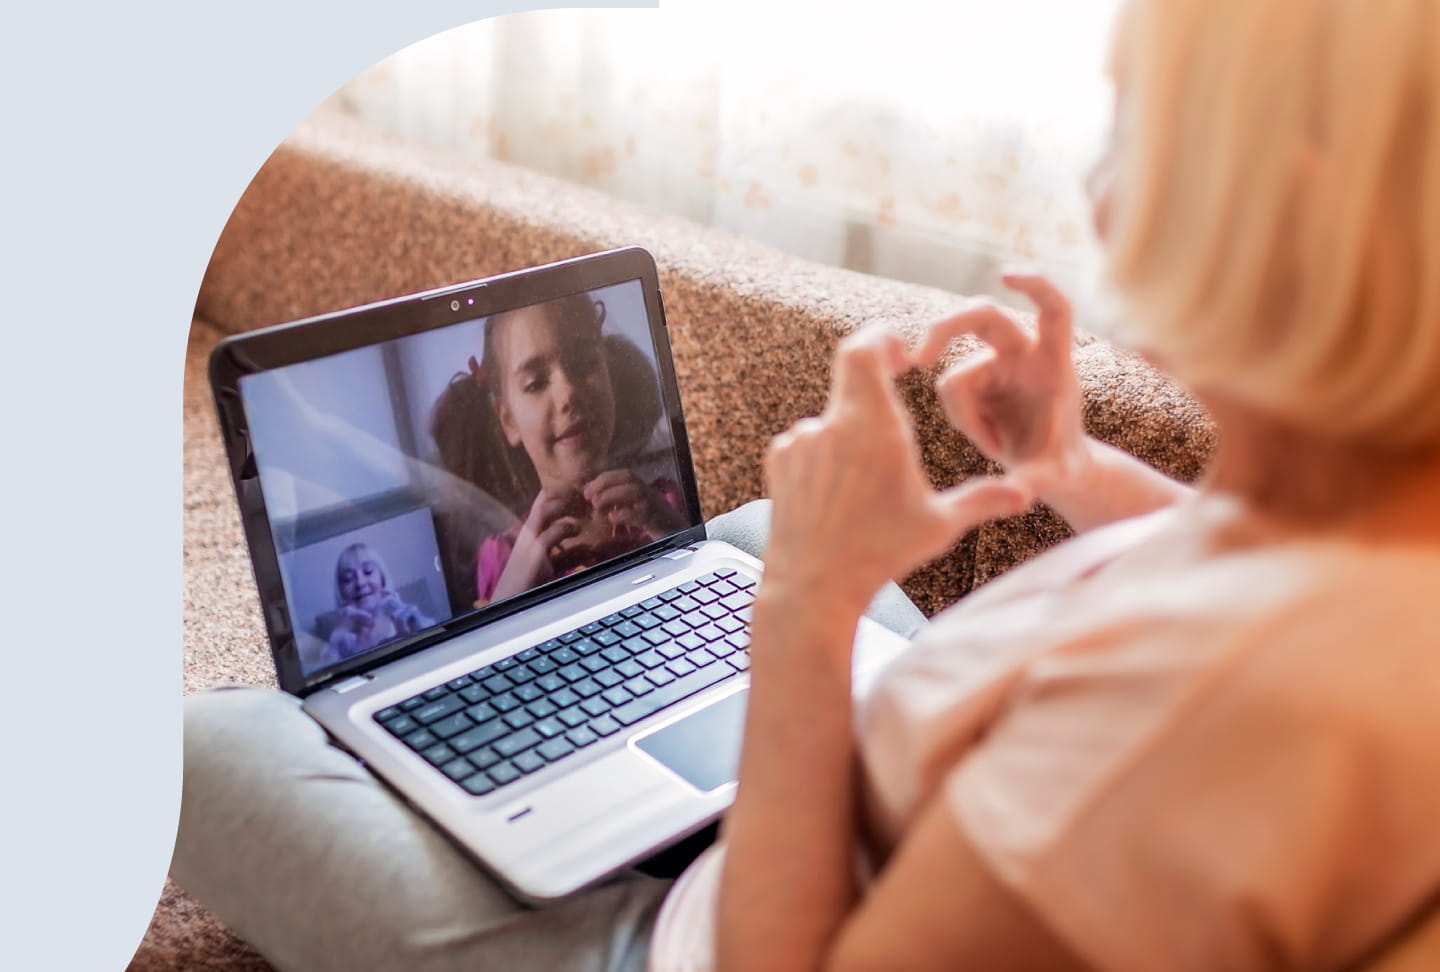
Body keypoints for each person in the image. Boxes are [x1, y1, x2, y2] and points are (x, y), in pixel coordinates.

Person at [176, 0, 1440, 969]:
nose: (1099, 196)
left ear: (1284, 211)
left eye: (1134, 126)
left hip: (700, 934)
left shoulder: (1165, 738)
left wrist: (806, 610)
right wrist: (1069, 469)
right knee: (748, 536)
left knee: (193, 742)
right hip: (854, 793)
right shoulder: (1378, 536)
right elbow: (1242, 556)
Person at [428, 293, 686, 608]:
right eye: (536, 383)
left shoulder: (660, 505)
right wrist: (509, 596)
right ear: (508, 420)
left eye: (584, 364)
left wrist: (670, 530)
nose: (569, 394)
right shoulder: (505, 556)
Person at [307, 542, 435, 670]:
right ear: (341, 592)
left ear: (382, 579)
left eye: (368, 572)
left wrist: (418, 633)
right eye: (348, 578)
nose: (360, 583)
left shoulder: (409, 622)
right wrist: (334, 647)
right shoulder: (339, 644)